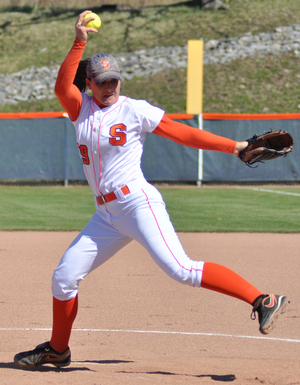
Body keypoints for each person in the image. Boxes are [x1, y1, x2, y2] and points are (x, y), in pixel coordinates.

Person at [14, 10, 289, 369]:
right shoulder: (80, 109)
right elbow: (59, 87)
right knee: (64, 277)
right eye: (102, 81)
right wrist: (79, 40)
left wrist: (234, 146)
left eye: (114, 80)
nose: (110, 87)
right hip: (106, 216)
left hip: (136, 204)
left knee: (181, 269)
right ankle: (58, 349)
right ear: (89, 83)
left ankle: (262, 300)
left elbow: (183, 133)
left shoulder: (135, 111)